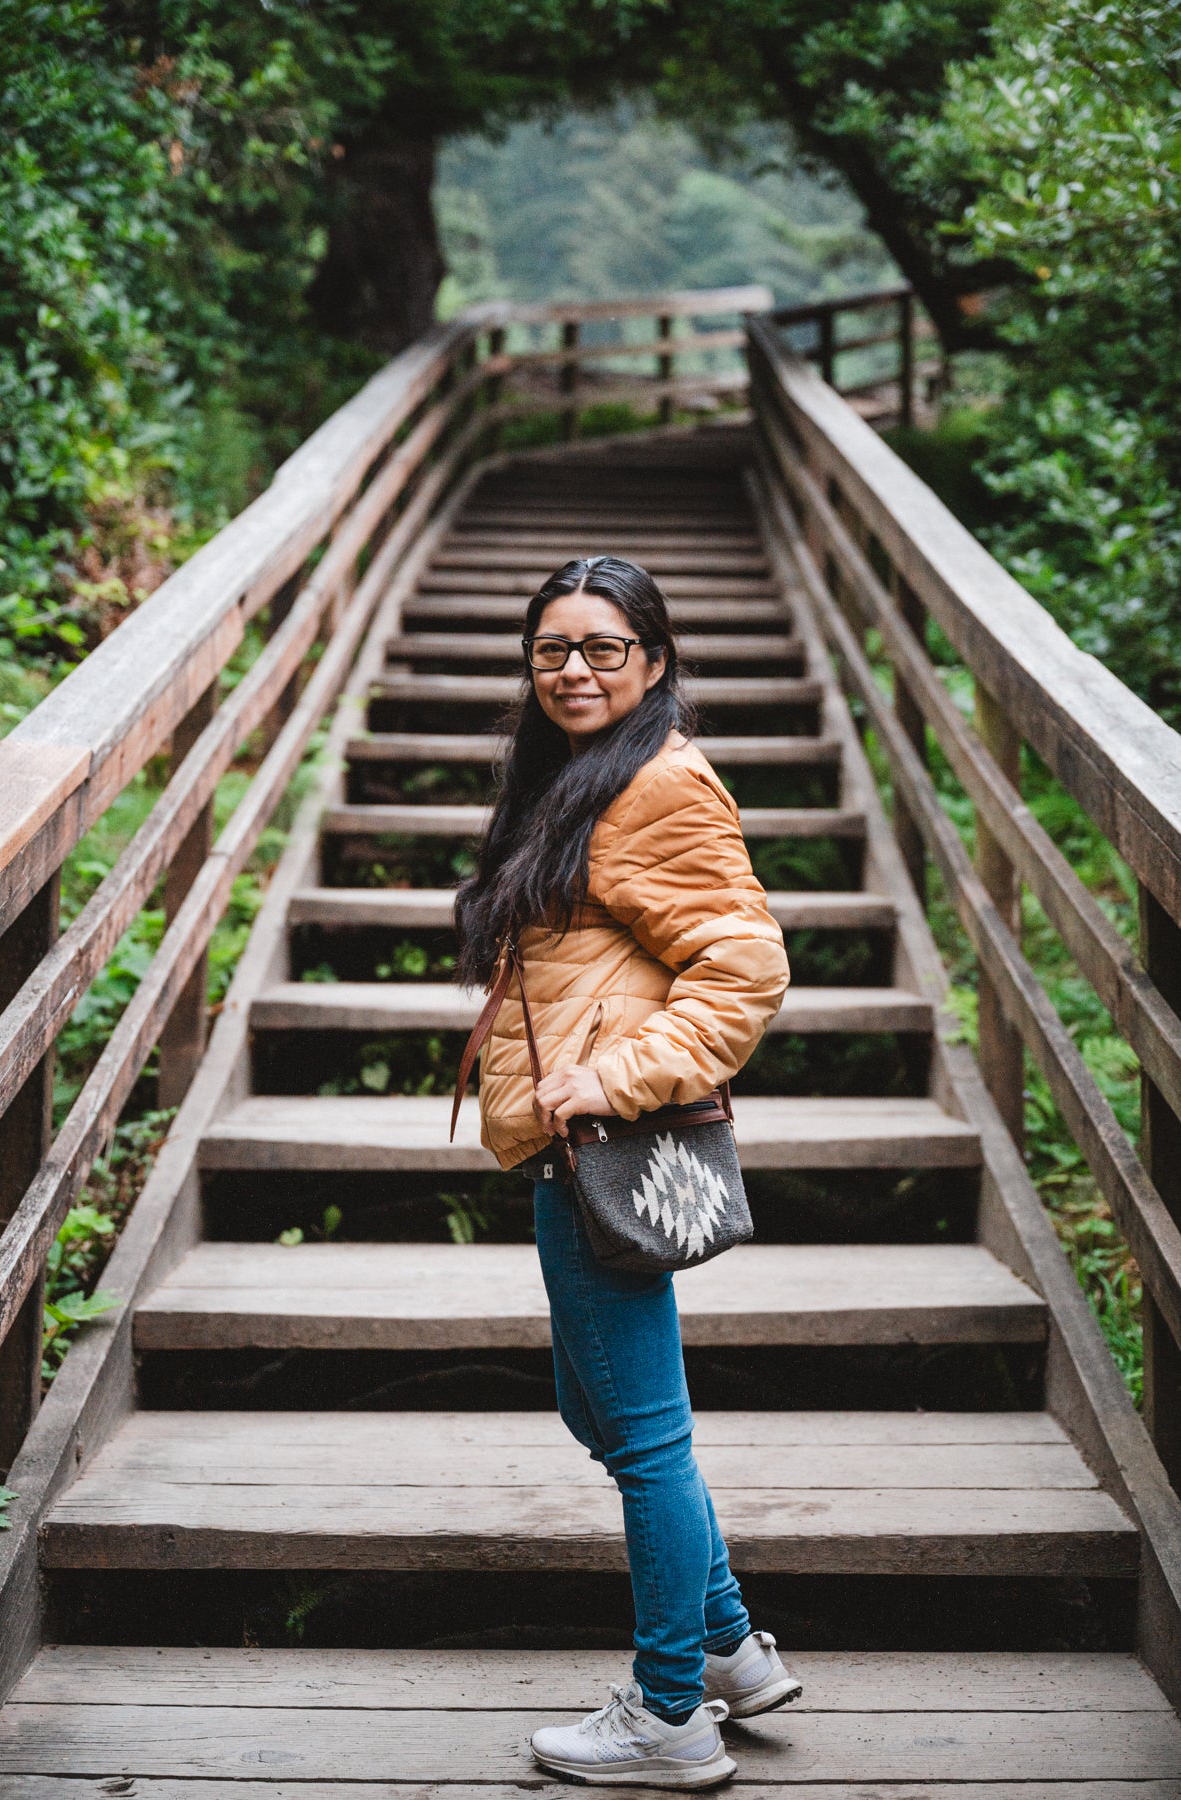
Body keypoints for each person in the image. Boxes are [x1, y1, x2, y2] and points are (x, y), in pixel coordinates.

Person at [454, 555, 799, 1788]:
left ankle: (667, 1713)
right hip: (571, 1140)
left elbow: (746, 965)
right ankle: (727, 1652)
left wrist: (618, 1075)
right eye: (552, 648)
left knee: (641, 1434)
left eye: (604, 647)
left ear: (652, 661)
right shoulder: (577, 779)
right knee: (599, 1409)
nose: (575, 669)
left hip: (602, 1133)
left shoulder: (659, 783)